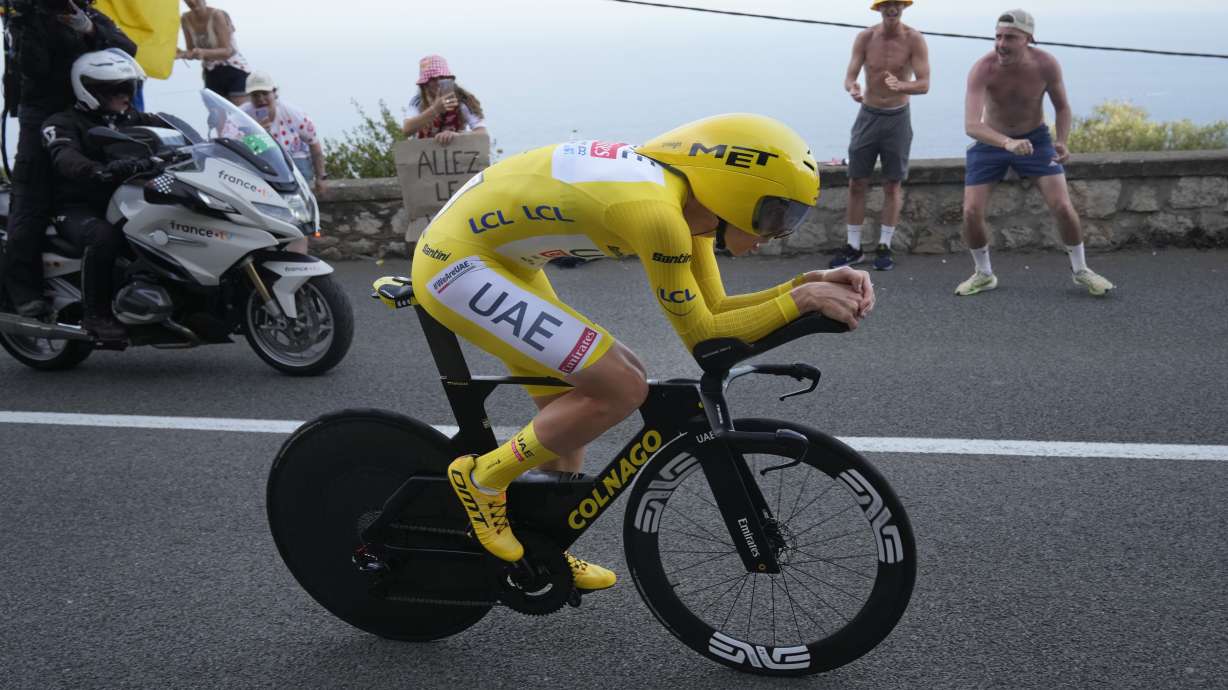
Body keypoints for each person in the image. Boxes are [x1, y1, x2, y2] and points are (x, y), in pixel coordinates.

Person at [411, 115, 875, 591]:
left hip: (507, 259)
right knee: (621, 385)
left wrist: (806, 284)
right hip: (457, 263)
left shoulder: (688, 204)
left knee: (567, 416)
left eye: (791, 219)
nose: (776, 233)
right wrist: (802, 302)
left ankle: (541, 543)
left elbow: (715, 309)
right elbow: (706, 340)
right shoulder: (658, 215)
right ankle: (483, 478)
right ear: (732, 188)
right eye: (775, 214)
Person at [957, 9, 1114, 296]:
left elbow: (1063, 107)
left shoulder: (1046, 65)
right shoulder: (983, 68)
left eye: (1010, 38)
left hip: (1036, 140)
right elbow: (971, 125)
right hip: (991, 141)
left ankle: (1081, 270)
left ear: (1028, 39)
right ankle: (983, 273)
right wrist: (1006, 142)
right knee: (970, 210)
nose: (1001, 44)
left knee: (1063, 207)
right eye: (998, 36)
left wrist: (1063, 141)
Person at [1, 0, 135, 318]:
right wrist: (27, 21)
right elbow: (35, 68)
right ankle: (22, 290)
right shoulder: (28, 18)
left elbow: (128, 48)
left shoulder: (83, 12)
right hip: (44, 114)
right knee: (33, 197)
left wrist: (88, 28)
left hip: (91, 111)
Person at [43, 49, 164, 340]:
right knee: (103, 237)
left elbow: (174, 135)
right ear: (92, 90)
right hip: (76, 205)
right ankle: (96, 315)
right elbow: (64, 156)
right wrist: (98, 171)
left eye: (129, 87)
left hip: (123, 201)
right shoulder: (62, 123)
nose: (126, 95)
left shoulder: (133, 118)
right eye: (117, 89)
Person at [831, 0, 930, 272]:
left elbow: (924, 84)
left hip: (898, 117)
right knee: (856, 182)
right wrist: (853, 88)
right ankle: (853, 247)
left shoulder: (914, 39)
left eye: (897, 3)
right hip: (868, 115)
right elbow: (850, 76)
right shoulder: (865, 37)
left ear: (903, 7)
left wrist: (903, 85)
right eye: (887, 4)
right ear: (879, 8)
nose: (892, 8)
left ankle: (884, 246)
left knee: (892, 184)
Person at [240, 71, 326, 194]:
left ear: (274, 93)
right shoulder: (240, 116)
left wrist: (321, 178)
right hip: (261, 163)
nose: (261, 99)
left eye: (265, 93)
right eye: (255, 95)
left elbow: (314, 144)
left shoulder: (294, 114)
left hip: (294, 160)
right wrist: (258, 134)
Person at [176, 0, 250, 106]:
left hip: (234, 69)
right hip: (211, 71)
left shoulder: (217, 15)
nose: (192, 1)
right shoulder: (185, 19)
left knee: (240, 114)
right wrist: (182, 54)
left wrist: (203, 52)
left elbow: (227, 51)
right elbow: (192, 50)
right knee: (217, 117)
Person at [401, 55, 487, 146]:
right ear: (425, 84)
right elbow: (406, 130)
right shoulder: (417, 102)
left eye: (442, 77)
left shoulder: (463, 100)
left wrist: (458, 136)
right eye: (433, 79)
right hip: (426, 155)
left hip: (458, 154)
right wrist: (435, 109)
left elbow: (482, 133)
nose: (438, 82)